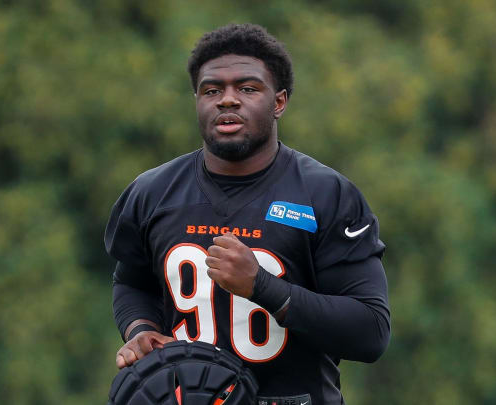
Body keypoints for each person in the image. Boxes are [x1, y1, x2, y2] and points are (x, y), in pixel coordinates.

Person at [105, 23, 390, 404]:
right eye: (212, 90)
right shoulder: (152, 192)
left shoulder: (326, 194)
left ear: (279, 102)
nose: (227, 100)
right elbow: (131, 282)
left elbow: (370, 332)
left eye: (247, 88)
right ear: (197, 100)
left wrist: (262, 286)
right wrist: (140, 329)